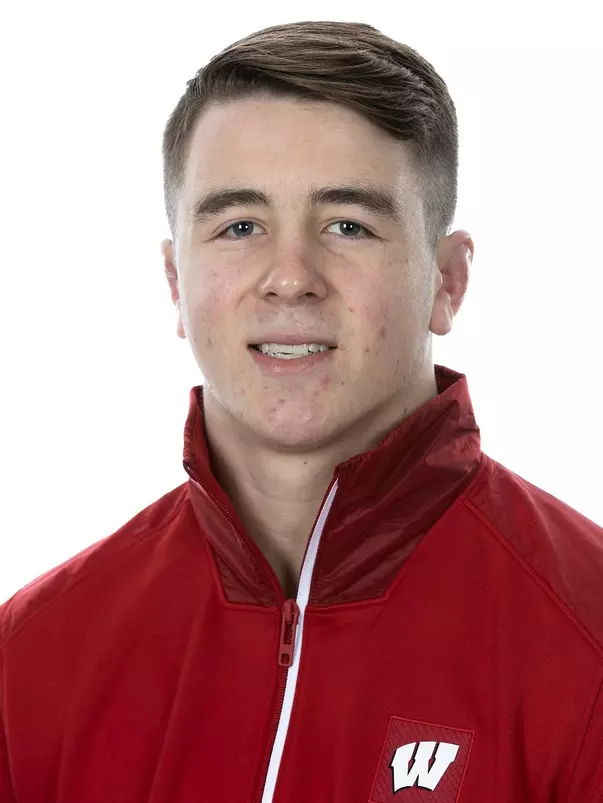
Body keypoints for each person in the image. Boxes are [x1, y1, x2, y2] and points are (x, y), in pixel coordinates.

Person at [1, 19, 602, 803]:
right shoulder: (32, 657)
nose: (290, 278)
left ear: (447, 281)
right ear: (176, 282)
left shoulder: (584, 638)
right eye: (239, 226)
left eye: (347, 225)